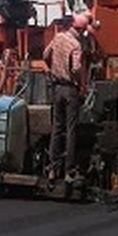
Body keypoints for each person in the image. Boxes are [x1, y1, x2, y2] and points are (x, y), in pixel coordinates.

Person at [42, 14, 87, 186]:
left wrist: (53, 69)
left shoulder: (58, 37)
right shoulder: (76, 45)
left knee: (57, 128)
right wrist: (81, 83)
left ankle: (53, 168)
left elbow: (45, 55)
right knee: (71, 130)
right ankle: (69, 171)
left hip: (56, 89)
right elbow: (76, 68)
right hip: (70, 89)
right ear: (80, 30)